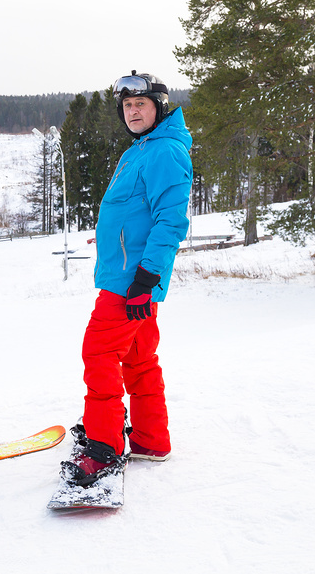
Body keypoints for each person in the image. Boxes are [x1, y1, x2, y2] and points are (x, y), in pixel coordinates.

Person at [61, 71, 193, 486]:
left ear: (159, 107)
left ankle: (103, 449)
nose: (133, 112)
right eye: (128, 106)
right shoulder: (142, 148)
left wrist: (146, 276)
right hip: (129, 277)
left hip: (131, 282)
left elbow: (170, 220)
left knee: (99, 355)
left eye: (141, 104)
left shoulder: (164, 151)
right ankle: (151, 440)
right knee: (138, 360)